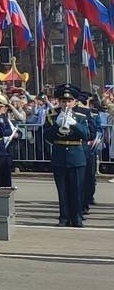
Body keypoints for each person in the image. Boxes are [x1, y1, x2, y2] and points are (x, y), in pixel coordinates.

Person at [45, 86, 90, 227]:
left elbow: (87, 135)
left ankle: (77, 218)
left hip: (76, 155)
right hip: (59, 154)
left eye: (69, 101)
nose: (66, 104)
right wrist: (56, 125)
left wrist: (74, 124)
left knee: (77, 189)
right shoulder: (52, 115)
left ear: (75, 102)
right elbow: (47, 136)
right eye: (63, 101)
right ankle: (63, 217)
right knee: (62, 190)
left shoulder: (81, 117)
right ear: (59, 101)